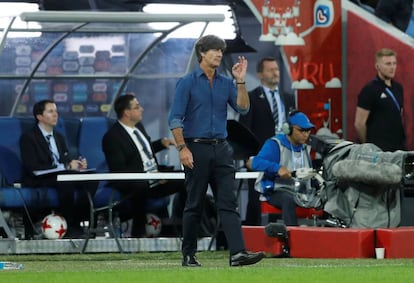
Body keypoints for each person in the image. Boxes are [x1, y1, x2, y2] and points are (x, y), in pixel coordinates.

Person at [168, 34, 265, 267]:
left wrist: (240, 81)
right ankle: (189, 254)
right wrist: (182, 148)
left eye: (221, 50)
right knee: (194, 203)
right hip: (196, 148)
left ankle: (238, 253)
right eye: (215, 50)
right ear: (202, 53)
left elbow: (242, 108)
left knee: (228, 203)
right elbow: (175, 119)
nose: (220, 54)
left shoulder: (226, 83)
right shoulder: (187, 82)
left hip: (222, 149)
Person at [102, 93, 184, 238]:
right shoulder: (112, 138)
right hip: (134, 183)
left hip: (154, 179)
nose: (142, 109)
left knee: (188, 179)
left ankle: (185, 228)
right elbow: (120, 169)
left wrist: (160, 144)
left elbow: (140, 151)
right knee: (139, 187)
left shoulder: (138, 126)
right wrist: (150, 177)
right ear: (127, 112)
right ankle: (138, 236)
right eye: (137, 107)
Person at [20, 99, 93, 238]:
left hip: (60, 176)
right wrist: (66, 166)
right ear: (39, 116)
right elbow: (32, 167)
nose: (55, 115)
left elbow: (65, 161)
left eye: (56, 111)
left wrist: (77, 166)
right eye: (51, 111)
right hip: (40, 178)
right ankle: (70, 226)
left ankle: (80, 221)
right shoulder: (29, 138)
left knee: (90, 180)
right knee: (65, 182)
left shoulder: (59, 137)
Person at [239, 57, 296, 226]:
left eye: (277, 69)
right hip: (260, 157)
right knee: (256, 200)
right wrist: (248, 157)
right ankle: (251, 237)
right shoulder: (252, 98)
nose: (275, 72)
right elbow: (244, 130)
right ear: (260, 74)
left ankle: (286, 234)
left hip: (285, 157)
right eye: (270, 69)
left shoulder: (288, 98)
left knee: (285, 196)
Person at [251, 111, 315, 226]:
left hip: (299, 192)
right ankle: (292, 238)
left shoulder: (305, 148)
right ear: (288, 129)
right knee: (288, 199)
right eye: (301, 130)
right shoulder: (275, 144)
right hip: (276, 191)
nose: (306, 134)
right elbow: (256, 162)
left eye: (308, 131)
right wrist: (277, 168)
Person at [354, 48, 405, 152]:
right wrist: (368, 146)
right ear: (377, 66)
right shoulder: (369, 89)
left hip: (397, 148)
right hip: (378, 150)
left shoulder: (398, 88)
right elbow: (359, 124)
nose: (392, 67)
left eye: (394, 63)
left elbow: (399, 114)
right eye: (388, 64)